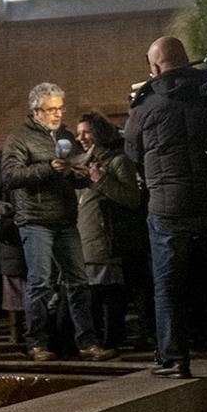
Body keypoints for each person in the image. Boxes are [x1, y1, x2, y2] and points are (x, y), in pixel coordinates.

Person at [123, 37, 207, 382]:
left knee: (168, 285)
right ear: (187, 60)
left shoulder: (144, 106)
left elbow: (132, 154)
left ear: (154, 68)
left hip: (169, 208)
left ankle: (174, 359)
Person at [0, 84, 114, 363]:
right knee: (40, 282)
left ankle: (87, 342)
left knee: (78, 281)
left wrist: (81, 174)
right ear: (36, 111)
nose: (58, 114)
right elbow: (10, 176)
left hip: (64, 218)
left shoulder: (64, 137)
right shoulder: (19, 138)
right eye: (52, 109)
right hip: (35, 219)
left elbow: (75, 178)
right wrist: (47, 169)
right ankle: (36, 343)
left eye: (61, 108)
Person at [73, 112, 145, 352]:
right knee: (92, 294)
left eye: (86, 132)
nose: (80, 137)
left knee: (109, 293)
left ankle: (111, 339)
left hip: (106, 241)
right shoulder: (81, 163)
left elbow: (132, 198)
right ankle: (98, 340)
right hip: (84, 241)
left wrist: (101, 180)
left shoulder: (118, 162)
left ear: (99, 134)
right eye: (79, 132)